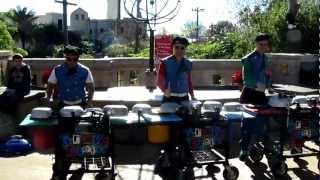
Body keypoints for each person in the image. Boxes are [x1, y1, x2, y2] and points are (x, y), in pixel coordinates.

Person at [47, 45, 94, 180]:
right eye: (69, 58)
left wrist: (89, 102)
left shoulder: (85, 70)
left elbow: (91, 86)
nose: (72, 61)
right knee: (62, 136)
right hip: (63, 105)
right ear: (65, 57)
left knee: (80, 134)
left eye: (75, 59)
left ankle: (81, 159)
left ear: (78, 58)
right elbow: (50, 84)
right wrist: (49, 97)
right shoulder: (58, 70)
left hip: (80, 105)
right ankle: (59, 165)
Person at [239, 33, 272, 161]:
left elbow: (266, 74)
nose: (263, 47)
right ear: (256, 44)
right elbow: (246, 77)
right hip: (249, 93)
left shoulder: (266, 58)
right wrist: (257, 85)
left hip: (261, 94)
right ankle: (244, 149)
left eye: (265, 44)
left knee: (263, 121)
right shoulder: (248, 58)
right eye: (261, 44)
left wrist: (268, 85)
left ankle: (259, 145)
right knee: (247, 124)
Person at [157, 36, 195, 104]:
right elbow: (160, 79)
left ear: (185, 49)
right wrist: (164, 90)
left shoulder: (188, 63)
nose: (179, 50)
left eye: (182, 48)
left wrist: (192, 95)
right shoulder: (165, 62)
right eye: (176, 47)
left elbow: (189, 81)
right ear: (172, 48)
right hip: (170, 98)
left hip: (184, 98)